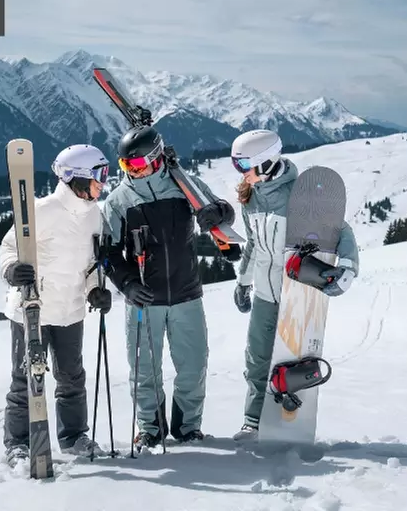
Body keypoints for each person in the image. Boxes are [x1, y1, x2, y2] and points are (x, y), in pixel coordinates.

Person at [102, 125, 237, 450]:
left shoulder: (183, 185)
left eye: (136, 165)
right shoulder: (119, 201)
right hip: (144, 300)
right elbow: (107, 255)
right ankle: (150, 429)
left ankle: (188, 428)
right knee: (144, 371)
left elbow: (222, 210)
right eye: (125, 167)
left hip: (187, 293)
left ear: (156, 158)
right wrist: (127, 284)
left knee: (193, 366)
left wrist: (219, 212)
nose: (131, 172)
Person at [227, 129, 360, 442]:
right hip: (264, 292)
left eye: (243, 164)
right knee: (256, 359)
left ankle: (289, 418)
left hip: (294, 293)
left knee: (289, 360)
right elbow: (253, 246)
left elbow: (341, 231)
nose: (240, 172)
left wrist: (348, 268)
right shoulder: (251, 198)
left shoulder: (300, 196)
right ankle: (252, 421)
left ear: (265, 162)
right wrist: (243, 282)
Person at [0, 144, 114, 465]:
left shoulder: (95, 215)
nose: (103, 182)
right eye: (98, 175)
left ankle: (74, 436)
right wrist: (12, 269)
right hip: (31, 309)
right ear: (77, 178)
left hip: (70, 310)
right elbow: (9, 247)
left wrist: (95, 290)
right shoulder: (42, 211)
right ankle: (18, 443)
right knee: (26, 379)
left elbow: (93, 263)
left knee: (72, 378)